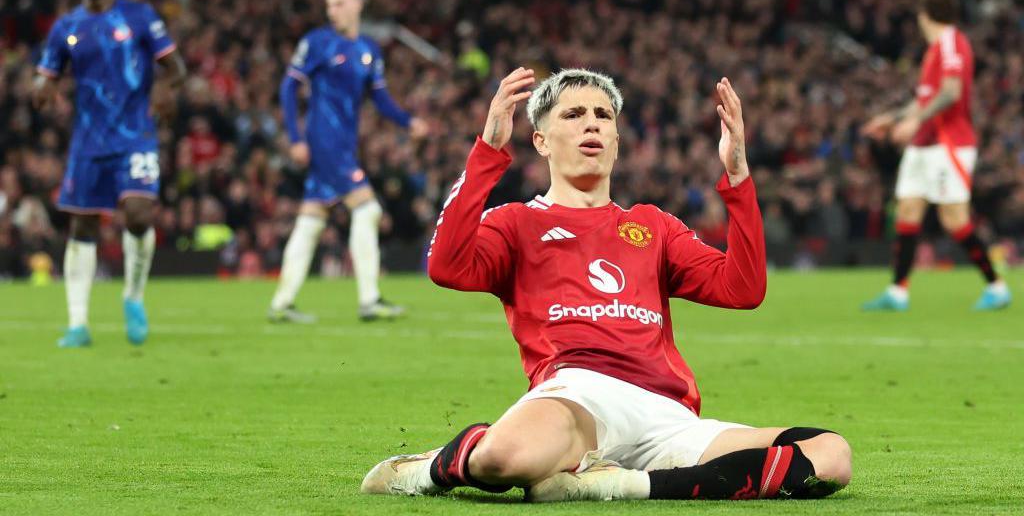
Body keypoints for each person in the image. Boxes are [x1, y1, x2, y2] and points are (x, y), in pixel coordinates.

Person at [361, 68, 851, 502]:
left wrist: (739, 177)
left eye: (602, 114)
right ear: (541, 140)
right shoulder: (515, 223)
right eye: (573, 114)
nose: (591, 123)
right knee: (504, 460)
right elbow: (446, 266)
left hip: (667, 416)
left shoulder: (653, 226)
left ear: (616, 140)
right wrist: (487, 153)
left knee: (830, 456)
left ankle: (622, 484)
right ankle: (425, 470)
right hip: (578, 397)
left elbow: (743, 289)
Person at [32, 0, 187, 348]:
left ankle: (133, 297)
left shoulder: (140, 16)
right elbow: (45, 73)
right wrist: (41, 88)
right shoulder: (67, 25)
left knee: (138, 214)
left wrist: (166, 89)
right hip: (88, 140)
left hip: (136, 133)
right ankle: (78, 323)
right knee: (82, 224)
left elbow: (175, 67)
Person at [269, 0, 428, 323]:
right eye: (329, 5)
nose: (332, 10)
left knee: (311, 219)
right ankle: (369, 298)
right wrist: (296, 137)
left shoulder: (369, 49)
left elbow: (380, 99)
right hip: (324, 142)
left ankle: (282, 303)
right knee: (368, 210)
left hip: (344, 144)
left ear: (358, 3)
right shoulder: (316, 42)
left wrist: (408, 121)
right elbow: (288, 87)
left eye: (339, 3)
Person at [862, 0, 1010, 312]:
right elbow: (926, 97)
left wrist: (914, 120)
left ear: (925, 15)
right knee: (907, 210)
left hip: (949, 144)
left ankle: (996, 286)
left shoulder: (951, 43)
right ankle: (898, 291)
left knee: (954, 218)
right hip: (924, 144)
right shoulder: (934, 51)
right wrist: (892, 118)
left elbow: (951, 93)